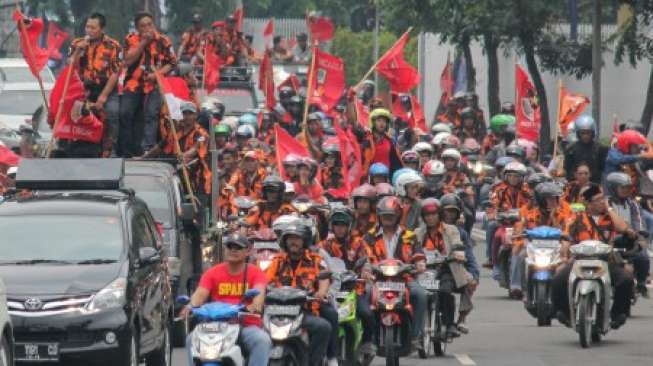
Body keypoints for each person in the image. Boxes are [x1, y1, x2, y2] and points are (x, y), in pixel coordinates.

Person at [180, 234, 272, 366]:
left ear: (247, 251)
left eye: (238, 247)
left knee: (262, 340)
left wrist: (254, 305)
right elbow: (200, 294)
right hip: (213, 326)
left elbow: (259, 293)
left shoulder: (256, 273)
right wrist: (190, 306)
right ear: (225, 249)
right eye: (230, 246)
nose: (233, 250)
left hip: (245, 325)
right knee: (191, 339)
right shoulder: (212, 273)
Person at [553, 183, 634, 329]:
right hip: (579, 260)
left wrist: (609, 208)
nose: (603, 202)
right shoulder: (576, 217)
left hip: (605, 260)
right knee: (558, 277)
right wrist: (565, 252)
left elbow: (622, 228)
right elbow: (566, 236)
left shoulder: (609, 217)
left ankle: (618, 315)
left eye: (603, 199)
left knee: (626, 279)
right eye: (598, 200)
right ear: (588, 203)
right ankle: (564, 312)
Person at [266, 223, 339, 366]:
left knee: (323, 327)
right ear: (284, 241)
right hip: (277, 311)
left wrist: (321, 292)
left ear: (304, 241)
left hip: (304, 310)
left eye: (297, 238)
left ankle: (317, 361)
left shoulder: (316, 259)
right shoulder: (277, 261)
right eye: (290, 238)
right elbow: (264, 281)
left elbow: (324, 279)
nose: (293, 242)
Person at [362, 196, 427, 350]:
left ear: (398, 216)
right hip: (377, 279)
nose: (387, 219)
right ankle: (367, 338)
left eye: (391, 215)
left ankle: (415, 336)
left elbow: (418, 253)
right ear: (379, 216)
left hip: (403, 278)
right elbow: (364, 256)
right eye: (384, 215)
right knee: (365, 295)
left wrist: (419, 263)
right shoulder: (369, 236)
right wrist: (366, 269)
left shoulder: (409, 235)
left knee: (420, 295)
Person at [317, 208, 376, 351]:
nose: (340, 228)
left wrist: (366, 271)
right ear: (332, 226)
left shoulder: (358, 243)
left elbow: (367, 259)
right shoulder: (324, 245)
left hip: (354, 289)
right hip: (331, 289)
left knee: (366, 313)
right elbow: (317, 261)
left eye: (343, 225)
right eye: (336, 224)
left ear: (349, 226)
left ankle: (367, 342)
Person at [120, 11, 176, 157]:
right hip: (134, 83)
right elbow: (128, 60)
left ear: (154, 24)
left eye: (149, 25)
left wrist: (157, 74)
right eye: (143, 26)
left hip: (155, 84)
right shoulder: (131, 39)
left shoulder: (163, 41)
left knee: (151, 114)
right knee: (126, 112)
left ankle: (148, 148)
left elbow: (171, 63)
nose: (147, 28)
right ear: (137, 28)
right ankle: (126, 150)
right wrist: (143, 42)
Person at [69, 13, 122, 157]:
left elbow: (115, 73)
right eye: (87, 27)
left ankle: (111, 150)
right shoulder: (77, 44)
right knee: (75, 114)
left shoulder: (113, 45)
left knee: (111, 113)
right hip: (84, 89)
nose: (89, 31)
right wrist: (79, 51)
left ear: (102, 29)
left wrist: (103, 97)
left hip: (107, 89)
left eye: (93, 28)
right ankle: (78, 149)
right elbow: (70, 69)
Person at [509, 182, 569, 299]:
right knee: (521, 255)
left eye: (554, 199)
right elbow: (520, 229)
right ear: (541, 200)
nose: (553, 202)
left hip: (556, 248)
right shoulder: (530, 215)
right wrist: (518, 235)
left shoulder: (563, 215)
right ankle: (518, 286)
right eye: (549, 199)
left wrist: (553, 217)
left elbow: (565, 231)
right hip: (535, 248)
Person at [429, 195, 480, 334]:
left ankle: (458, 320)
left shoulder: (460, 233)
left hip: (449, 270)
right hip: (427, 269)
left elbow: (468, 255)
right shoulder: (424, 230)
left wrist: (474, 274)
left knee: (451, 288)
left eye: (453, 212)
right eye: (446, 211)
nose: (449, 215)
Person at [605, 172, 651, 297]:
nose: (626, 190)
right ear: (613, 188)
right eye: (623, 187)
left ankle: (641, 284)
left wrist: (640, 236)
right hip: (608, 240)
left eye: (628, 188)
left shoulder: (633, 204)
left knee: (643, 257)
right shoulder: (605, 204)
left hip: (629, 239)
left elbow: (639, 221)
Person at [563, 115, 608, 184]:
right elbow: (567, 168)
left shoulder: (601, 148)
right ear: (578, 133)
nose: (585, 136)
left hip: (594, 184)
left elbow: (603, 168)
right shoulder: (570, 149)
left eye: (588, 133)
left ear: (592, 133)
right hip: (575, 184)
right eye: (583, 133)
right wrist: (577, 180)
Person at [369, 109, 402, 174]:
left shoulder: (390, 141)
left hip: (386, 178)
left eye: (384, 121)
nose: (382, 123)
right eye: (379, 120)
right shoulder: (367, 140)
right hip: (370, 178)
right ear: (373, 123)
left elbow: (395, 161)